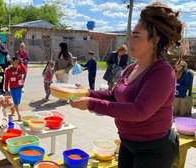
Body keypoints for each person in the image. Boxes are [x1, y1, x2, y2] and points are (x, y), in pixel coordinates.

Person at [70, 2, 182, 167]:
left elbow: (139, 111)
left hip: (153, 150)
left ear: (155, 40)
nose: (129, 41)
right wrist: (88, 92)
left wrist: (91, 104)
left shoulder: (162, 73)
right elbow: (114, 95)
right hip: (128, 142)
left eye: (136, 36)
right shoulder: (131, 68)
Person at [4, 57, 27, 121]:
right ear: (12, 62)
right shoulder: (8, 70)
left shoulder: (19, 68)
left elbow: (25, 71)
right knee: (16, 102)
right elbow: (6, 80)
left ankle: (12, 108)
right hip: (13, 88)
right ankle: (19, 115)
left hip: (19, 87)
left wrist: (21, 63)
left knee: (18, 102)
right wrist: (6, 89)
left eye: (18, 63)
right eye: (15, 62)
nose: (17, 64)